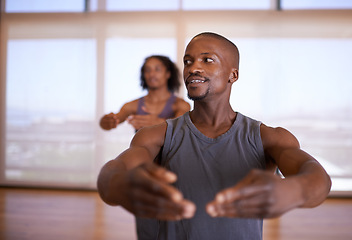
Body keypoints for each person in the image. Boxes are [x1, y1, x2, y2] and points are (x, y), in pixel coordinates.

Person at [97, 32, 331, 239]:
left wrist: (293, 191)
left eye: (207, 60)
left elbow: (317, 179)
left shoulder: (270, 137)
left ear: (233, 75)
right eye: (188, 61)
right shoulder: (154, 136)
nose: (193, 68)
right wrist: (120, 185)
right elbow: (111, 173)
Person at [99, 55, 191, 131]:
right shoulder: (132, 106)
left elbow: (180, 129)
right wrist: (107, 121)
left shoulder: (181, 105)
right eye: (147, 70)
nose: (151, 74)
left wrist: (160, 123)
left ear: (168, 74)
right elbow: (113, 120)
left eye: (157, 69)